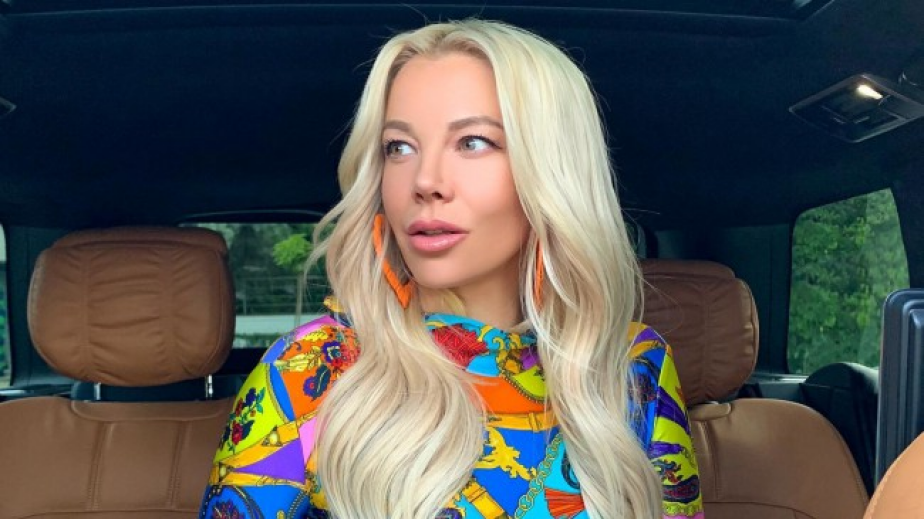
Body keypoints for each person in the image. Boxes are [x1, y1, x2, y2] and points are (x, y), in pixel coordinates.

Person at [199, 19, 703, 519]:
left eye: (473, 142)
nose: (425, 181)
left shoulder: (632, 367)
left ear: (553, 171)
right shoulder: (312, 367)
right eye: (399, 147)